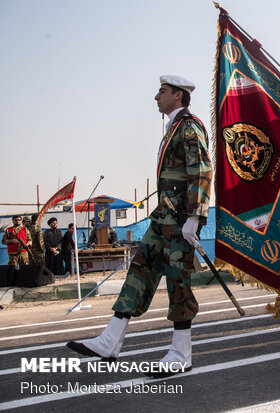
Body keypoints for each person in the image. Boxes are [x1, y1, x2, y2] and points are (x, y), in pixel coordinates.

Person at [67, 75, 212, 378]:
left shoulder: (189, 126)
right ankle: (109, 342)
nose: (156, 96)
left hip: (179, 220)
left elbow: (200, 170)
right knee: (139, 271)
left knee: (178, 280)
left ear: (178, 95)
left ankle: (181, 353)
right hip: (163, 218)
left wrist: (195, 218)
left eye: (162, 91)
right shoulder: (172, 129)